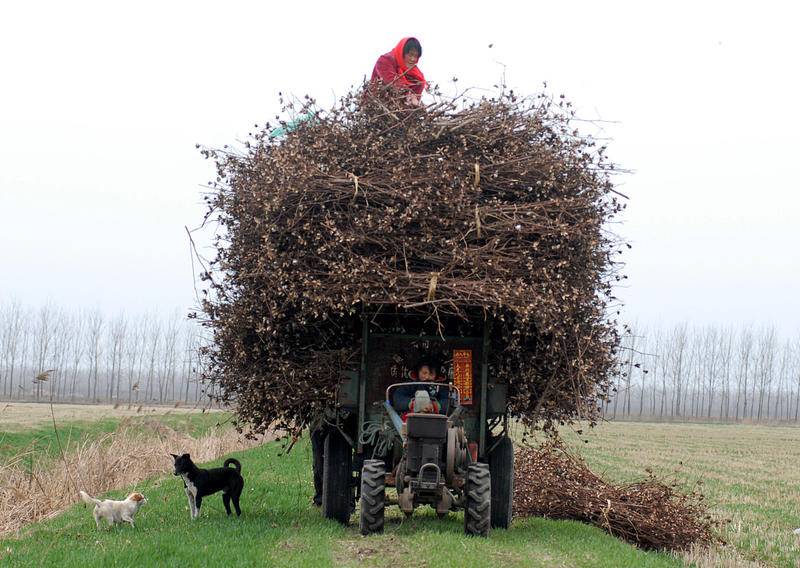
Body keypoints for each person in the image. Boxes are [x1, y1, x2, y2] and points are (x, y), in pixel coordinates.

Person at [370, 37, 426, 106]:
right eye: (410, 55)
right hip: (378, 105)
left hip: (403, 111)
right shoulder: (385, 61)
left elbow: (416, 98)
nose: (413, 59)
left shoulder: (417, 75)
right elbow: (393, 83)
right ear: (402, 52)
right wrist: (410, 95)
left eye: (416, 56)